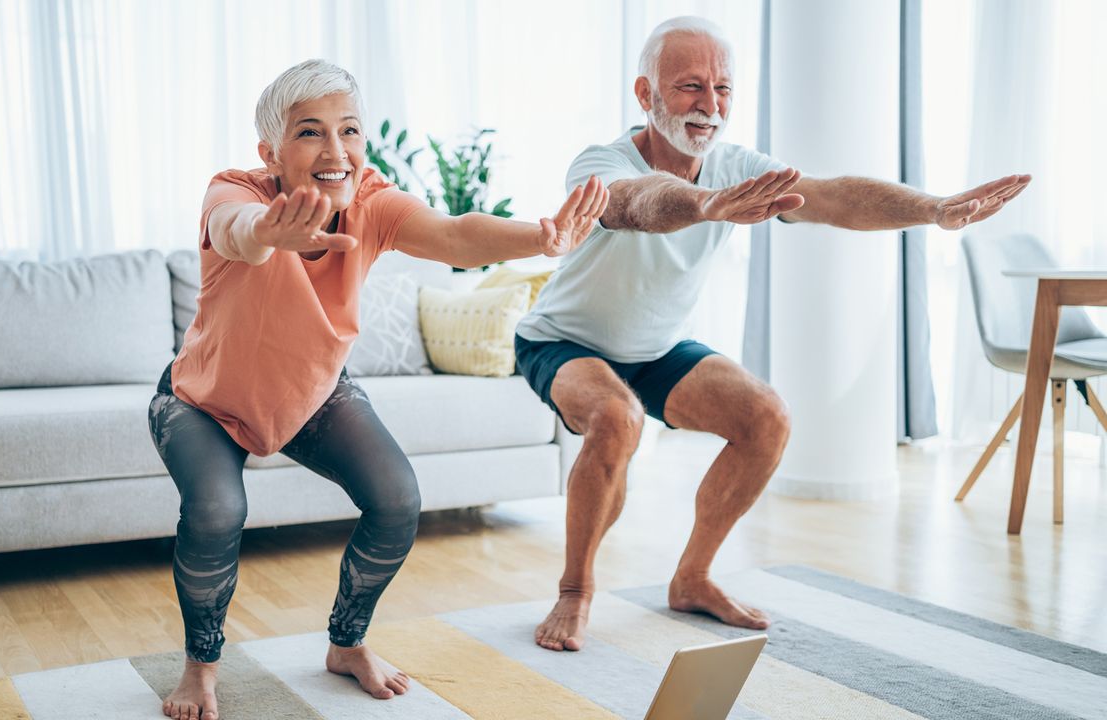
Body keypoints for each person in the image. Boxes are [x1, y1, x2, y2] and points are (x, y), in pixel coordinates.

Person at [514, 16, 1030, 652]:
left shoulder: (736, 166)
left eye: (724, 88)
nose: (710, 105)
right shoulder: (601, 162)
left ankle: (693, 578)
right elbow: (634, 204)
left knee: (767, 418)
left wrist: (934, 210)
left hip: (656, 347)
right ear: (645, 95)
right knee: (617, 418)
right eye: (690, 87)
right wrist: (703, 204)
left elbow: (833, 197)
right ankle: (575, 593)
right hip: (563, 340)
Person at [148, 59, 607, 720]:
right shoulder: (235, 191)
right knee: (216, 511)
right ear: (271, 153)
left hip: (311, 391)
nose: (336, 151)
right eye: (310, 133)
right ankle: (201, 665)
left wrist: (541, 237)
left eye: (350, 130)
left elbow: (453, 233)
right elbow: (234, 233)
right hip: (202, 400)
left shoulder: (369, 201)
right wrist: (266, 233)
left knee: (397, 501)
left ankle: (347, 643)